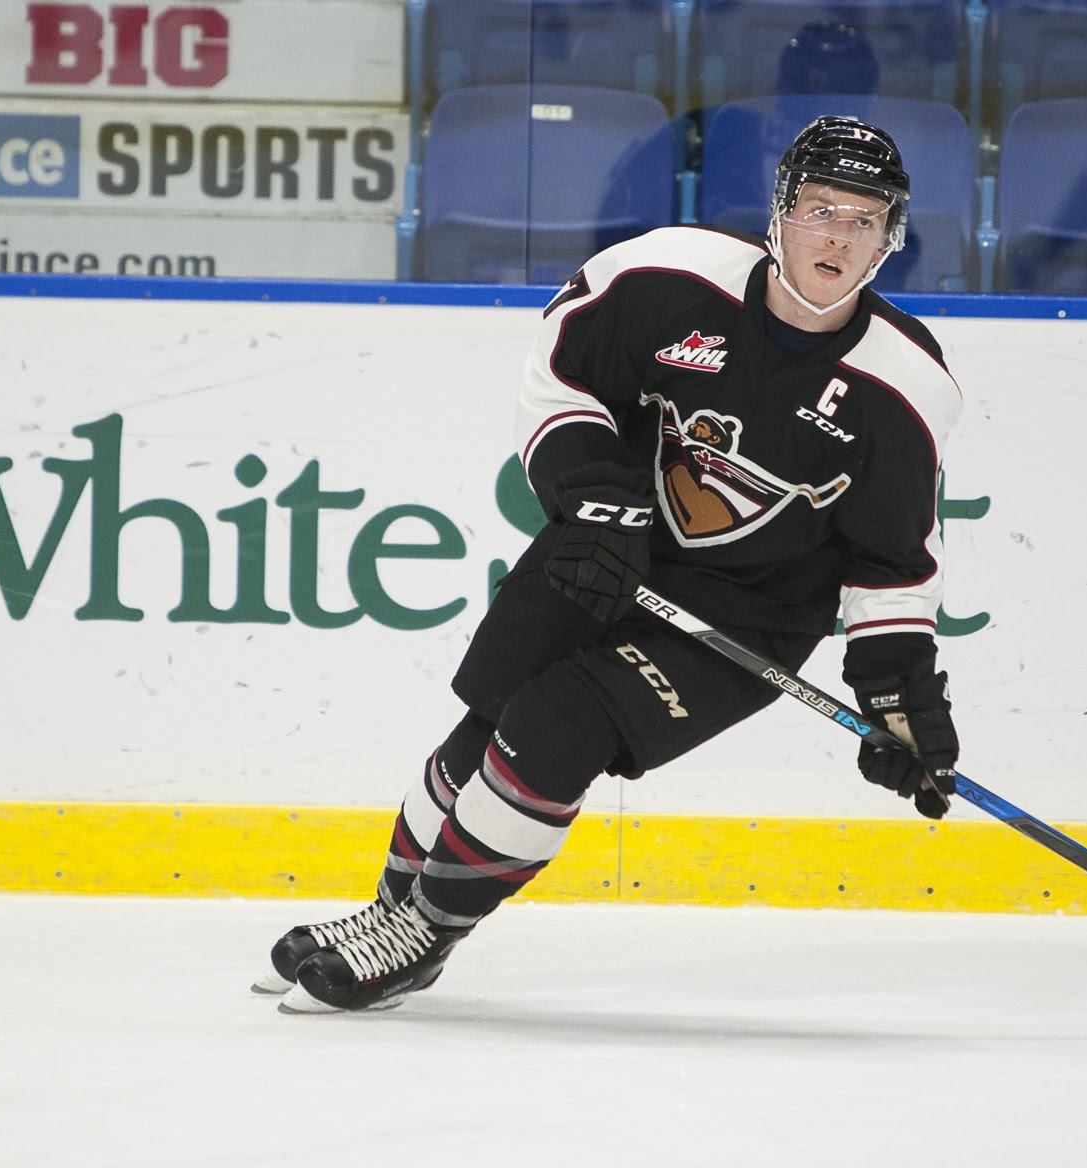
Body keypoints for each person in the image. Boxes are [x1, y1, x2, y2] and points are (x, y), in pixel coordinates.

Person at [257, 116, 964, 1013]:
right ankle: (392, 924)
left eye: (864, 220)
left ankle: (421, 932)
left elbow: (891, 561)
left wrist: (898, 697)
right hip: (607, 547)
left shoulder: (907, 385)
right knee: (485, 733)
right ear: (779, 213)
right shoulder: (666, 274)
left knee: (554, 727)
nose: (838, 236)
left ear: (889, 239)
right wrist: (595, 495)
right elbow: (562, 374)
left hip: (743, 622)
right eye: (821, 210)